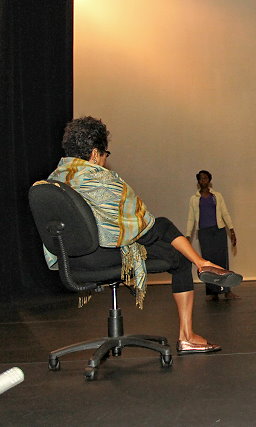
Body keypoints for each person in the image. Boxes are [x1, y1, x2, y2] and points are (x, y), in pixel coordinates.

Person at [43, 116, 242, 355]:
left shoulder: (53, 181)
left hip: (73, 262)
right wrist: (157, 231)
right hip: (105, 257)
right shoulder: (104, 182)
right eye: (105, 154)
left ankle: (201, 263)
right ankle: (189, 327)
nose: (105, 161)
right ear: (95, 154)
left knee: (163, 230)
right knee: (172, 245)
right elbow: (144, 232)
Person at [186, 170, 239, 300]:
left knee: (222, 260)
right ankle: (212, 292)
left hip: (218, 231)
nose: (203, 180)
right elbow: (191, 218)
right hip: (204, 233)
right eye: (201, 178)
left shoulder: (217, 196)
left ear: (209, 180)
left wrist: (231, 230)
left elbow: (225, 213)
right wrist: (188, 235)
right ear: (198, 181)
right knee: (208, 263)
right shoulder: (194, 199)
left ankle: (227, 291)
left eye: (205, 178)